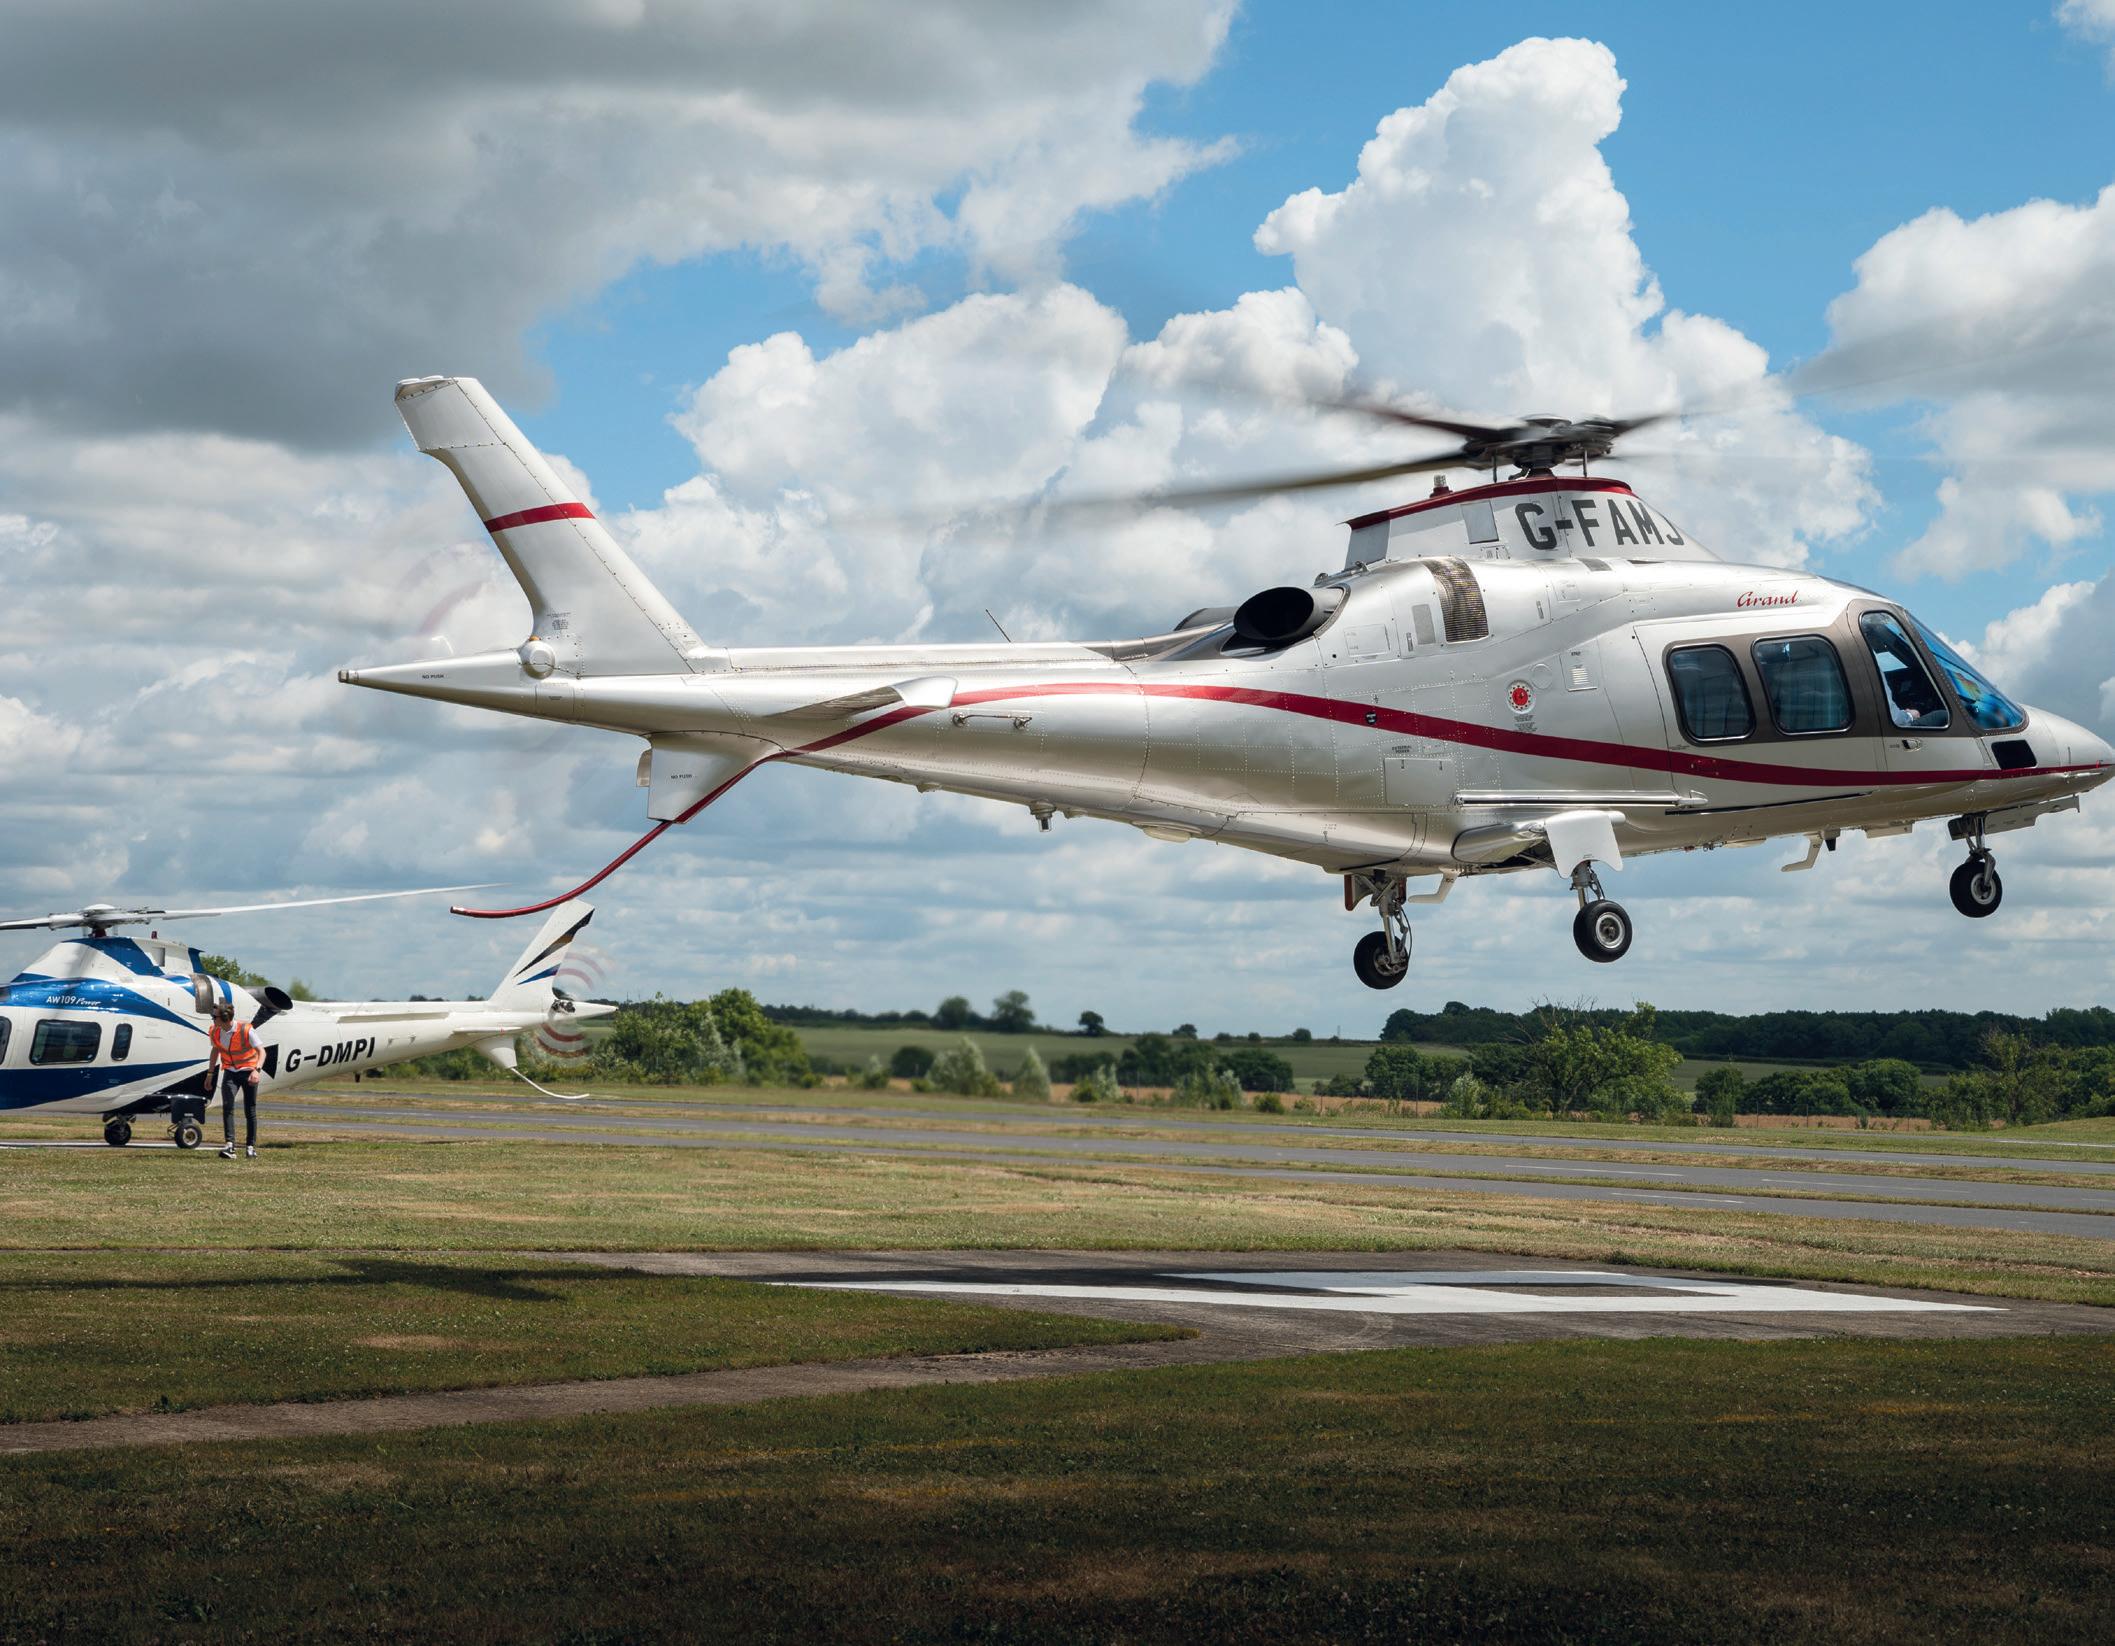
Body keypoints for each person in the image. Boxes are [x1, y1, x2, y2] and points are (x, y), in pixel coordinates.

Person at [208, 1002, 263, 1160]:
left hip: (249, 1072)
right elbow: (215, 1051)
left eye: (215, 1017)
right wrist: (210, 1074)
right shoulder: (215, 1031)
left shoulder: (245, 1029)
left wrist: (257, 1070)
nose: (213, 1019)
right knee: (227, 1107)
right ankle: (230, 1146)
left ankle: (250, 1147)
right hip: (230, 1073)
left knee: (250, 1110)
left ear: (224, 1018)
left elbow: (262, 1051)